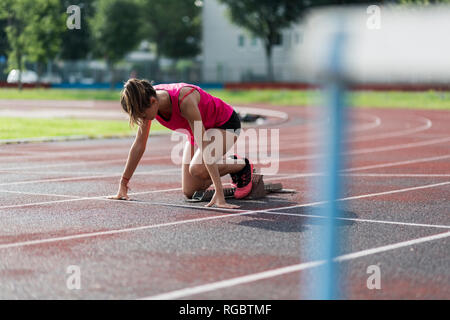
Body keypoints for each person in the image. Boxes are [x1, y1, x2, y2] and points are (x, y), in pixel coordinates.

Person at [110, 79, 254, 208]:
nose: (143, 119)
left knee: (198, 169)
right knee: (191, 191)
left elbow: (204, 145)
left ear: (153, 102)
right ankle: (225, 164)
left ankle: (241, 165)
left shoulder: (184, 100)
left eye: (142, 115)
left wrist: (219, 193)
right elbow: (139, 145)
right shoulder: (147, 99)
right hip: (197, 130)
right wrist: (123, 184)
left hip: (225, 124)